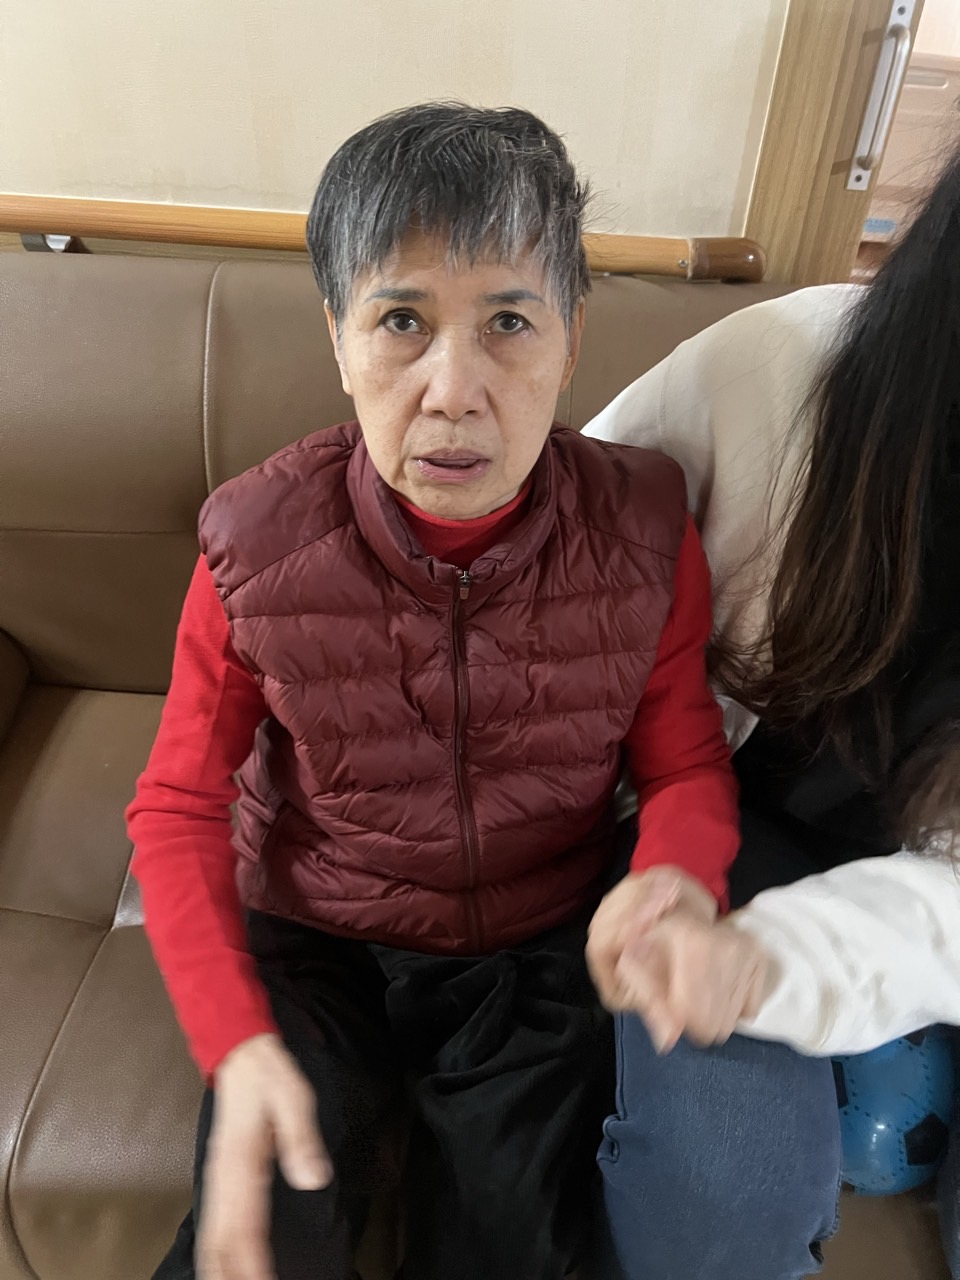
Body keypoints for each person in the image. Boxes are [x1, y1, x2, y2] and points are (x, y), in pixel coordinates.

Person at [127, 102, 740, 1280]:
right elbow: (178, 801)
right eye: (401, 320)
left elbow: (685, 764)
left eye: (508, 320)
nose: (454, 389)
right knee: (264, 1235)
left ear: (571, 336)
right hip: (316, 937)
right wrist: (234, 1038)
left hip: (531, 943)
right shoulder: (252, 540)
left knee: (515, 1244)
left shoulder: (647, 528)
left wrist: (676, 878)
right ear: (338, 336)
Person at [583, 141, 960, 1279]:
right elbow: (550, 582)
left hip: (922, 898)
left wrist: (781, 962)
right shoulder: (774, 373)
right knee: (726, 1193)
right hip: (718, 826)